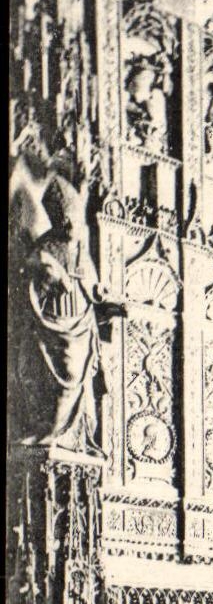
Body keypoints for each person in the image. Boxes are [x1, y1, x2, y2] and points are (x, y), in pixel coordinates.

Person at [17, 174, 125, 454]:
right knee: (53, 376)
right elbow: (32, 267)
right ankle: (48, 433)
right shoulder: (46, 246)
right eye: (66, 220)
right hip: (53, 321)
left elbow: (91, 285)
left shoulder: (81, 248)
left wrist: (104, 298)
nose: (72, 225)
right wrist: (49, 271)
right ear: (58, 219)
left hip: (80, 322)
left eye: (75, 220)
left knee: (74, 374)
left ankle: (67, 435)